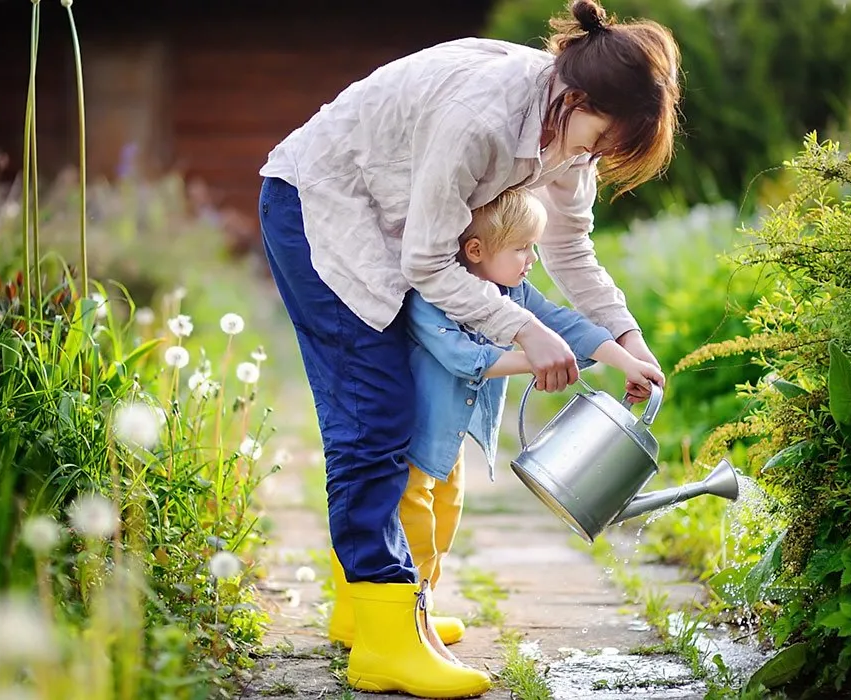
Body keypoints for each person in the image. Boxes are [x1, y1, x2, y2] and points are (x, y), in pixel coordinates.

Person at [257, 0, 680, 695]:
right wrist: (527, 330)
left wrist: (626, 339)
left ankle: (364, 610)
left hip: (390, 225)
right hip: (318, 209)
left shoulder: (567, 134)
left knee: (401, 415)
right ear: (576, 96)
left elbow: (570, 248)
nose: (593, 157)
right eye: (600, 137)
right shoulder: (484, 117)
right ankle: (385, 642)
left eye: (608, 150)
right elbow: (429, 261)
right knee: (376, 415)